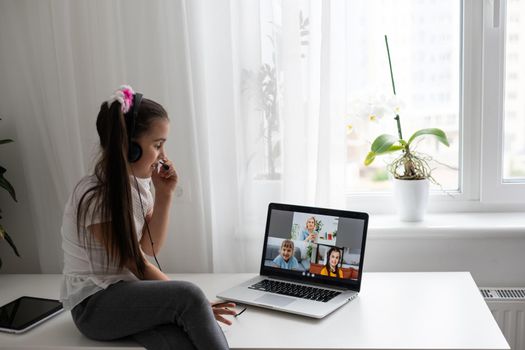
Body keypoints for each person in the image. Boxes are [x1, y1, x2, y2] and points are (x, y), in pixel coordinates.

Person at [60, 85, 235, 350]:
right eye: (157, 145)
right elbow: (138, 263)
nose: (163, 156)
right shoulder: (96, 196)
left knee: (180, 335)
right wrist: (198, 302)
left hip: (124, 292)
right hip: (94, 307)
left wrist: (164, 194)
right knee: (189, 296)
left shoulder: (138, 185)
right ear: (129, 148)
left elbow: (149, 247)